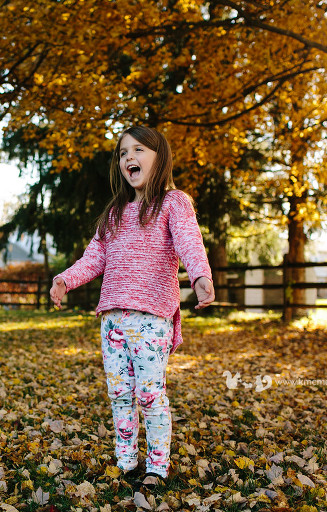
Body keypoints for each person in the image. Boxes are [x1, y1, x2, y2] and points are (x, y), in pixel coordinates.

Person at [49, 126, 214, 489]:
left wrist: (200, 276)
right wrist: (65, 279)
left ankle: (156, 466)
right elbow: (94, 257)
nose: (129, 158)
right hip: (112, 318)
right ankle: (126, 461)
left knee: (150, 394)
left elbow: (189, 242)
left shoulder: (173, 202)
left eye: (138, 150)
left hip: (152, 317)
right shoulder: (114, 212)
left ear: (160, 158)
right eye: (123, 153)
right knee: (119, 392)